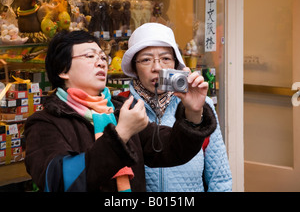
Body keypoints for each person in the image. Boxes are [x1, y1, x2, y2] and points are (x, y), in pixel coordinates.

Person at [24, 30, 217, 192]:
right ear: (63, 70)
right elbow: (59, 180)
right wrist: (121, 134)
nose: (101, 63)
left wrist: (193, 111)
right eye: (90, 56)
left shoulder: (119, 109)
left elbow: (171, 150)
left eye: (102, 57)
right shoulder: (44, 123)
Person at [121, 22, 232, 192]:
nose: (157, 67)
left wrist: (194, 111)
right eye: (145, 60)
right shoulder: (121, 107)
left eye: (165, 58)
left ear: (176, 63)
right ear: (134, 68)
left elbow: (220, 178)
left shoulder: (200, 106)